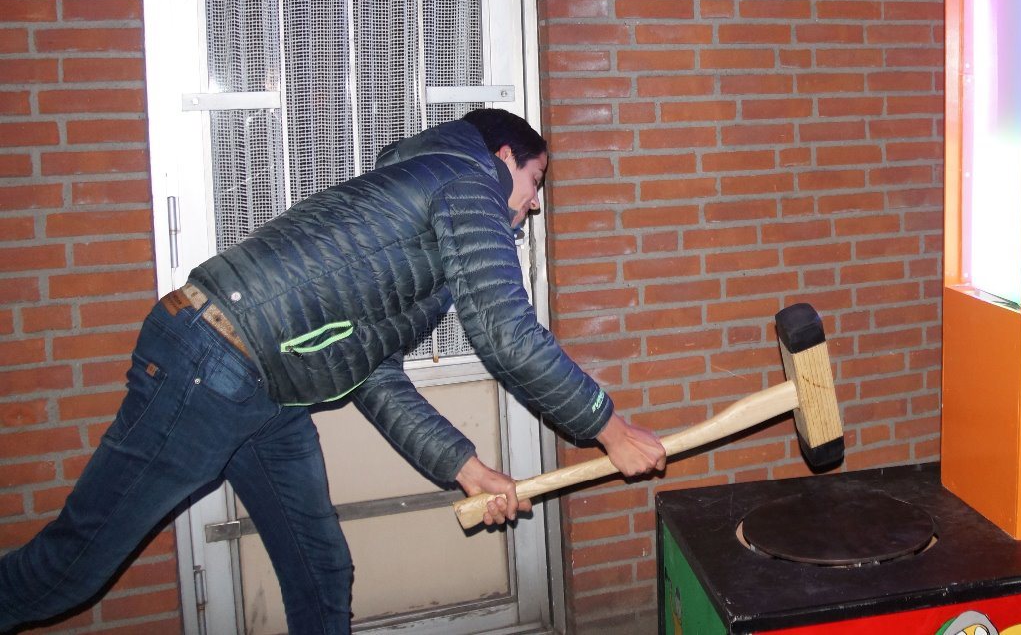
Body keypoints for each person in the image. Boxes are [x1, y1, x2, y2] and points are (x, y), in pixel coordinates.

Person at [0, 108, 667, 634]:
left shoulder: (427, 213)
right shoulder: (469, 180)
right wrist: (608, 427)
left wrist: (467, 468)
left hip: (266, 390)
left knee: (320, 570)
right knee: (70, 567)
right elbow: (506, 332)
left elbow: (373, 373)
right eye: (536, 180)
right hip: (211, 360)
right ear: (503, 158)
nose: (535, 204)